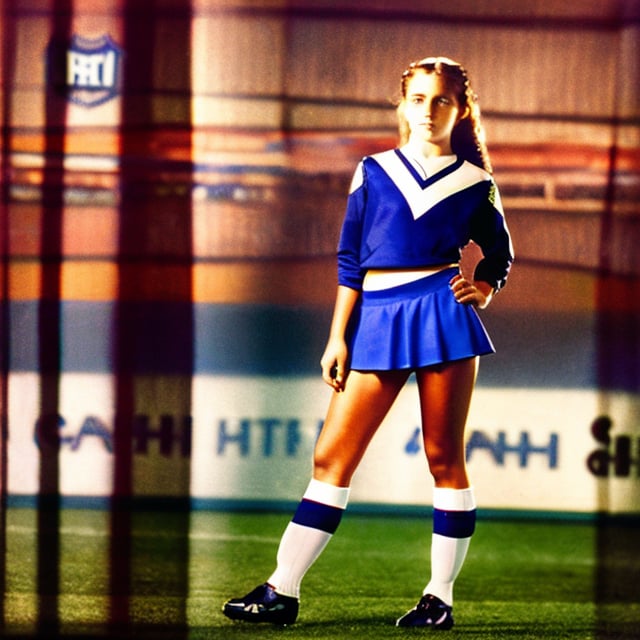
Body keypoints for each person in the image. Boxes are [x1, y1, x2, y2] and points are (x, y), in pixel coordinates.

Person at [222, 56, 513, 629]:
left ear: (461, 109)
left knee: (443, 458)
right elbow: (351, 260)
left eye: (442, 101)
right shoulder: (373, 170)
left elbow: (499, 254)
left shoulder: (477, 183)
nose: (429, 111)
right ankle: (282, 591)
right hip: (376, 319)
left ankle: (439, 598)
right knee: (332, 456)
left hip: (440, 315)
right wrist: (338, 337)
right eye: (419, 98)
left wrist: (482, 288)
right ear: (402, 104)